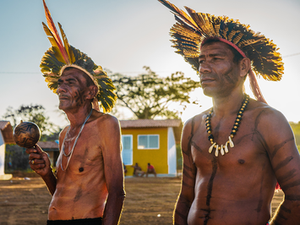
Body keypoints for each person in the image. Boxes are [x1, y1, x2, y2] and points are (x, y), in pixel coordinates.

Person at [159, 1, 300, 225]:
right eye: (201, 61)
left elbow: (297, 196)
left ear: (243, 66)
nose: (204, 68)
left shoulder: (268, 121)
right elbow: (186, 198)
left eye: (215, 59)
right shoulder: (193, 126)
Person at [26, 1, 125, 224]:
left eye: (70, 82)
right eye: (60, 83)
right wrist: (46, 174)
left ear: (91, 92)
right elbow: (62, 192)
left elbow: (117, 193)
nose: (61, 88)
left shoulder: (106, 125)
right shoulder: (64, 134)